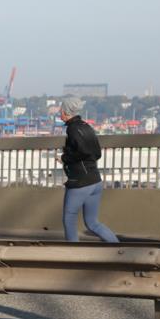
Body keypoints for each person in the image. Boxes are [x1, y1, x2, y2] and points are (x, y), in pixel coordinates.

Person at [58, 97, 119, 243]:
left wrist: (65, 158)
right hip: (95, 181)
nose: (59, 112)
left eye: (61, 110)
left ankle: (73, 253)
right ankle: (117, 248)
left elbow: (82, 152)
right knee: (92, 223)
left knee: (69, 218)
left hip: (80, 182)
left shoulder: (72, 129)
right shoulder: (87, 126)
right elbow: (96, 153)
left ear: (66, 112)